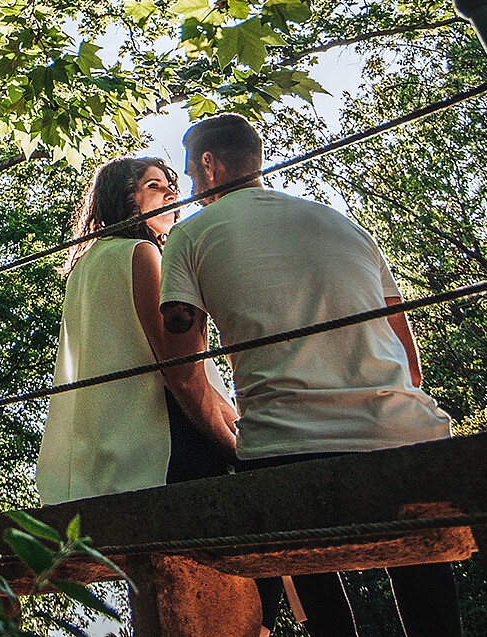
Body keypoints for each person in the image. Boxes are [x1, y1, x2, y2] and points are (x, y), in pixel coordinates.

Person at [156, 112, 462, 637]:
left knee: (304, 566)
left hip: (287, 443)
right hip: (404, 430)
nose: (188, 187)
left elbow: (183, 354)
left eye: (188, 174)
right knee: (424, 576)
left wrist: (219, 430)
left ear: (208, 165)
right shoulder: (343, 223)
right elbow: (403, 343)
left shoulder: (191, 235)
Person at [36, 156, 239, 504]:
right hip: (160, 442)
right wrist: (235, 442)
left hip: (107, 450)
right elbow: (183, 370)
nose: (170, 194)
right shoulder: (140, 252)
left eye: (170, 186)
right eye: (153, 186)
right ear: (124, 197)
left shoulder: (86, 265)